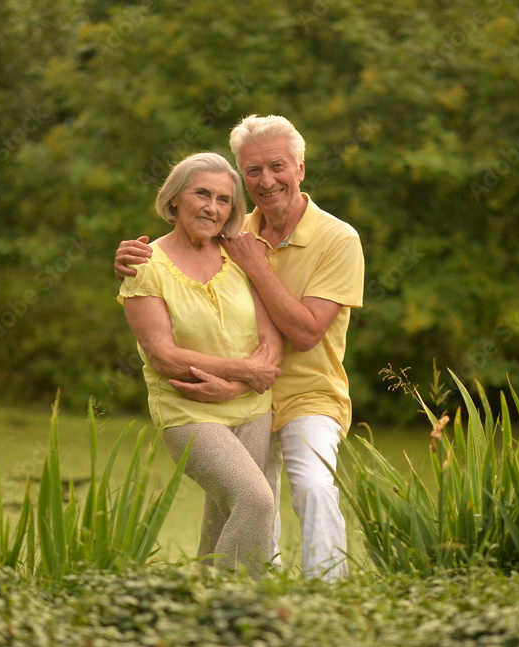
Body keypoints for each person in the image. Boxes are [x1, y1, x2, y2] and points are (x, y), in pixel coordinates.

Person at [116, 116, 365, 580]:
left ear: (300, 169)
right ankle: (241, 606)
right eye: (253, 171)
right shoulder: (231, 229)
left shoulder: (336, 239)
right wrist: (125, 258)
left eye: (277, 167)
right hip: (233, 394)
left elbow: (307, 333)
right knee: (248, 504)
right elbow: (164, 305)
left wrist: (258, 267)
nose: (266, 181)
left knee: (309, 487)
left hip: (307, 391)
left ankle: (328, 595)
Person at [117, 152, 284, 579]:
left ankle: (205, 609)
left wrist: (237, 387)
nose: (212, 207)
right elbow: (162, 354)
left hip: (251, 411)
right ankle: (233, 612)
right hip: (188, 411)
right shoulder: (144, 264)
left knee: (223, 520)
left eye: (224, 200)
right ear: (175, 200)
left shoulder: (240, 257)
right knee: (256, 501)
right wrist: (244, 373)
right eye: (202, 194)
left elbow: (269, 340)